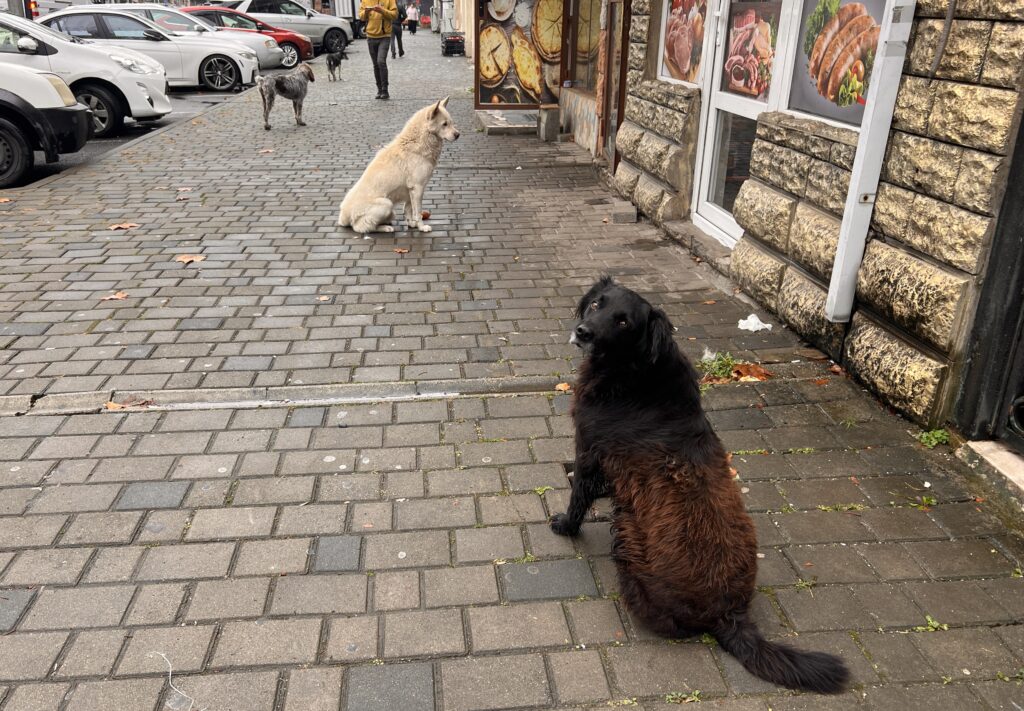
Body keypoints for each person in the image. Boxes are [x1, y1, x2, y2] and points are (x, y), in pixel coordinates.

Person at [359, 0, 398, 99]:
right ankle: (379, 90)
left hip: (384, 36)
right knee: (376, 65)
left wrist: (382, 10)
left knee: (381, 61)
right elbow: (361, 16)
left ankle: (385, 90)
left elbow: (394, 15)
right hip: (370, 37)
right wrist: (366, 12)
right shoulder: (365, 1)